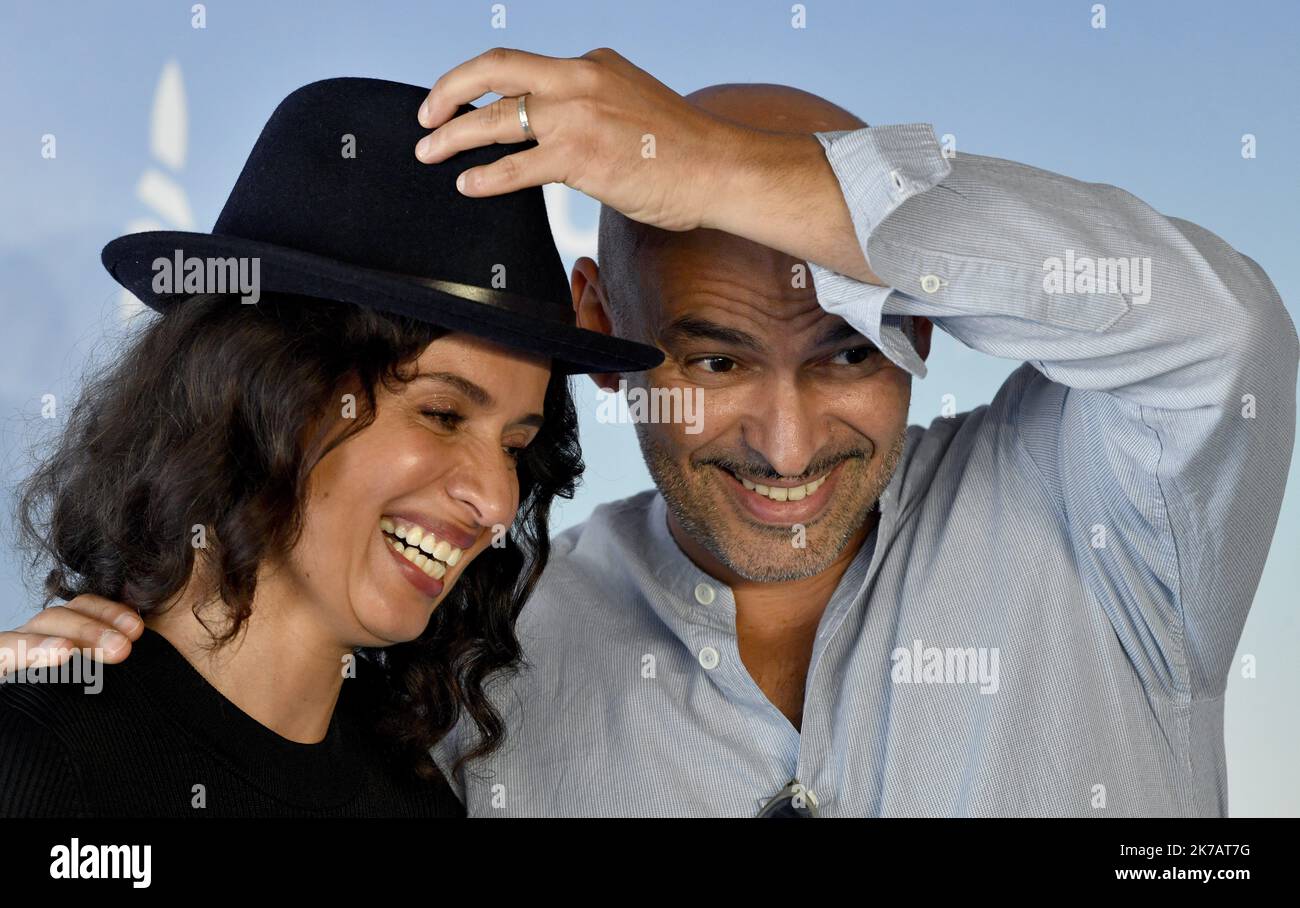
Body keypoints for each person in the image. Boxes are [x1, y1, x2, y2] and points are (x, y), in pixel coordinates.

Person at [11, 49, 1298, 817]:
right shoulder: (490, 670)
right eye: (713, 354)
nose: (787, 443)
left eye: (848, 344)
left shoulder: (1105, 521)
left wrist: (710, 166)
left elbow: (1218, 334)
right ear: (602, 321)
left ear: (922, 316)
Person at [0, 75, 661, 818]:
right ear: (261, 392)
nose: (498, 498)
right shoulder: (40, 762)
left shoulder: (416, 801)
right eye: (442, 413)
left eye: (515, 445)